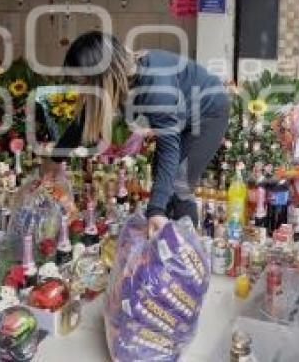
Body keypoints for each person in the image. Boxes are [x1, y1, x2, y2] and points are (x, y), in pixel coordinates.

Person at [55, 31, 230, 236]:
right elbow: (87, 115)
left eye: (83, 81)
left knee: (179, 182)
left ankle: (186, 249)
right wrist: (56, 157)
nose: (81, 88)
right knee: (164, 178)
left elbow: (169, 149)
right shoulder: (120, 76)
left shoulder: (155, 87)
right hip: (184, 111)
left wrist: (155, 210)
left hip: (209, 112)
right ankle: (166, 238)